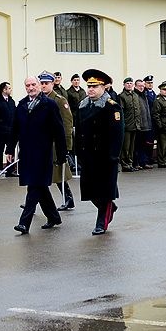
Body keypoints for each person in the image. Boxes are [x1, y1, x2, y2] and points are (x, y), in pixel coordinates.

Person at [7, 75, 66, 234]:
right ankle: (54, 217)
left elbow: (58, 130)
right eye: (27, 85)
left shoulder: (49, 105)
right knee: (39, 187)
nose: (31, 88)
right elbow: (15, 129)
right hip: (26, 153)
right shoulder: (22, 104)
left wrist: (62, 153)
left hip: (43, 153)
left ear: (39, 85)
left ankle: (24, 222)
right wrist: (9, 149)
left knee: (33, 187)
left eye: (33, 84)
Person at [74, 68, 123, 235]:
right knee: (90, 191)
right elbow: (78, 130)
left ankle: (101, 222)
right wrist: (77, 151)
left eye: (95, 86)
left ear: (104, 87)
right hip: (88, 156)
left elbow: (118, 133)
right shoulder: (83, 106)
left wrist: (114, 155)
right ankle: (110, 207)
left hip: (105, 156)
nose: (90, 90)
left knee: (104, 192)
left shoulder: (112, 107)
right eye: (89, 86)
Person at [40, 72, 76, 209]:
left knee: (58, 172)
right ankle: (32, 199)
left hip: (56, 143)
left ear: (52, 84)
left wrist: (66, 146)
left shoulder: (59, 100)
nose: (43, 86)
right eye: (42, 83)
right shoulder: (38, 99)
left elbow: (67, 123)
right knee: (38, 173)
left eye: (46, 83)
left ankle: (68, 198)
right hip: (42, 143)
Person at [118, 77, 141, 172]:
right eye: (127, 83)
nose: (129, 85)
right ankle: (125, 164)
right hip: (127, 125)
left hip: (135, 124)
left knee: (132, 146)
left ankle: (130, 163)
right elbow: (121, 111)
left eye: (131, 83)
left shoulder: (135, 95)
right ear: (124, 85)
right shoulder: (122, 96)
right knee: (126, 147)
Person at [0, 81, 16, 174]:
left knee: (11, 150)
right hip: (0, 131)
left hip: (10, 130)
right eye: (9, 88)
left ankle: (10, 169)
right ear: (4, 90)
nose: (11, 90)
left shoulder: (11, 101)